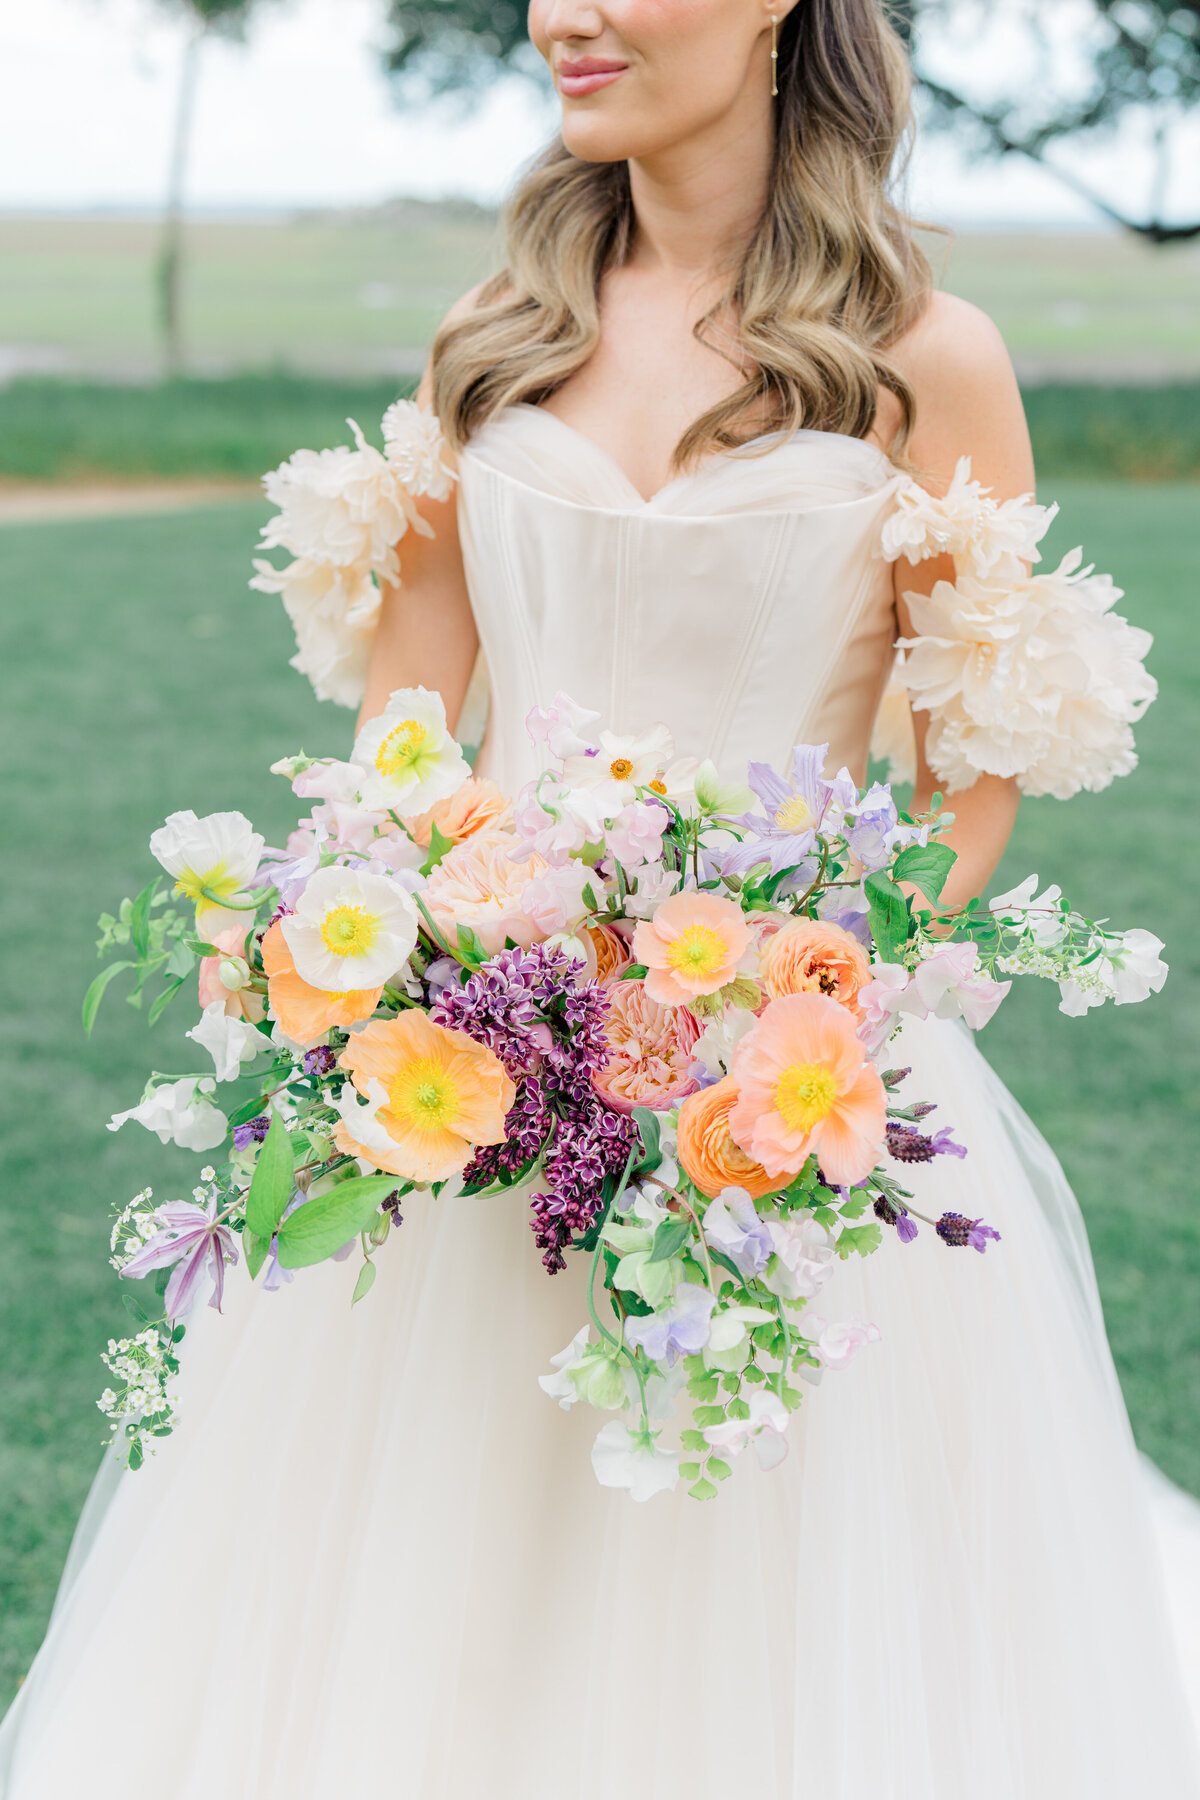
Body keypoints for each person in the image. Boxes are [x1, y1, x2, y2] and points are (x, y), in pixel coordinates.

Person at [3, 0, 1198, 1794]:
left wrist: (810, 1001)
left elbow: (967, 783)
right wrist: (400, 949)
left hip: (788, 1087)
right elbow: (403, 737)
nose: (563, 15)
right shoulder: (488, 345)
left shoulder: (922, 360)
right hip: (475, 1082)